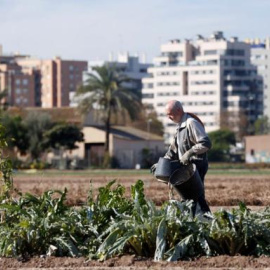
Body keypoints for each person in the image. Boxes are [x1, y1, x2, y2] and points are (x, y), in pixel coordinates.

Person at [151, 100, 212, 215]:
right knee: (191, 197)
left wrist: (189, 153)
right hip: (186, 167)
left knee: (194, 196)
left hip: (196, 166)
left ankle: (204, 220)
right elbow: (172, 150)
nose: (169, 117)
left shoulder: (191, 123)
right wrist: (161, 165)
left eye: (170, 114)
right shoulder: (180, 126)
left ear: (179, 110)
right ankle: (199, 220)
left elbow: (206, 143)